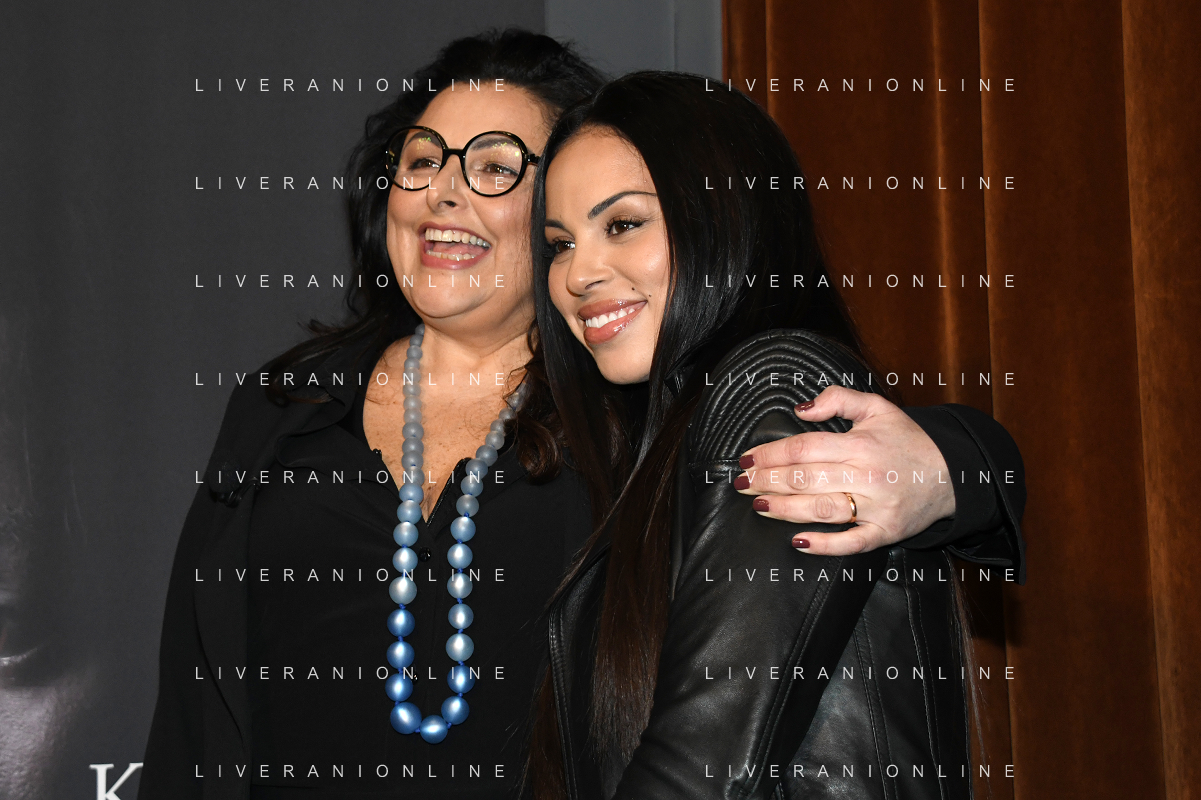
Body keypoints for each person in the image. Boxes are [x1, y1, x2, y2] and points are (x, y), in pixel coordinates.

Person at [138, 31, 1024, 799]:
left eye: (494, 166)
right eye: (421, 161)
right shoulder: (285, 404)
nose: (443, 192)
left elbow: (810, 431)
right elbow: (192, 708)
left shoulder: (638, 412)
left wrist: (948, 467)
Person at [527, 71, 1025, 799]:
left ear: (724, 214)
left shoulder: (772, 388)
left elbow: (701, 768)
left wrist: (961, 466)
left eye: (623, 224)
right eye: (560, 244)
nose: (578, 273)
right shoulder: (649, 439)